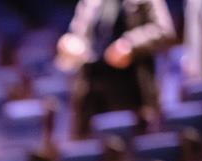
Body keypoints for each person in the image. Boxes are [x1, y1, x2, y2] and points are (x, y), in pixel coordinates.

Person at [56, 0, 175, 137]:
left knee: (132, 148)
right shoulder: (89, 2)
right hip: (93, 90)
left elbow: (164, 30)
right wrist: (71, 44)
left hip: (132, 90)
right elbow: (78, 34)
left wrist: (130, 45)